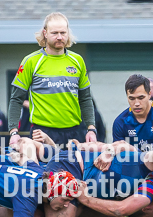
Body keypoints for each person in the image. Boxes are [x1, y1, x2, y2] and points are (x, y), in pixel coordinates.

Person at [8, 12, 97, 147]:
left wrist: (91, 128)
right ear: (45, 33)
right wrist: (14, 132)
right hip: (42, 133)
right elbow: (16, 99)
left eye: (63, 32)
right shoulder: (31, 61)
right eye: (54, 33)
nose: (60, 37)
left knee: (74, 169)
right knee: (45, 169)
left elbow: (85, 98)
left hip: (75, 133)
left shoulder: (77, 61)